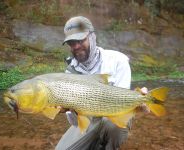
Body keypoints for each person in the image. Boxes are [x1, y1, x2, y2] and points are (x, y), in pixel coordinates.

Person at [56, 16, 148, 150]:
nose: (76, 46)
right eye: (71, 43)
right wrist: (69, 109)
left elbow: (122, 105)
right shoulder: (70, 72)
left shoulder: (118, 60)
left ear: (92, 37)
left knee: (111, 125)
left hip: (113, 117)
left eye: (80, 40)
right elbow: (75, 123)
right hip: (87, 121)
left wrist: (139, 102)